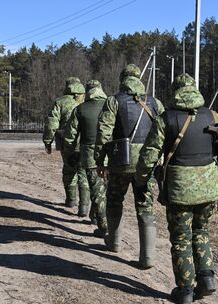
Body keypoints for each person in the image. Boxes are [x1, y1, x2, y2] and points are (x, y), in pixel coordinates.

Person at [135, 73, 218, 304]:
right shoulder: (213, 115)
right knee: (201, 231)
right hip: (210, 188)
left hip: (180, 189)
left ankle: (185, 291)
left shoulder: (166, 119)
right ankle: (207, 278)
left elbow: (149, 156)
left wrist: (142, 180)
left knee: (181, 238)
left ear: (176, 92)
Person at [94, 64, 164, 269]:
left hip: (120, 162)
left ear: (123, 79)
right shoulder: (155, 102)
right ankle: (148, 258)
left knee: (114, 199)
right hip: (146, 163)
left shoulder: (114, 101)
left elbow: (104, 133)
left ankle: (114, 243)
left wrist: (101, 161)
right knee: (145, 205)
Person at [64, 80, 108, 237]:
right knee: (109, 190)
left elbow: (70, 136)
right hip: (114, 154)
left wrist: (69, 153)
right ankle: (97, 218)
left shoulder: (80, 109)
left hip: (90, 155)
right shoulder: (112, 105)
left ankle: (104, 228)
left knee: (96, 190)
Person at [43, 77, 90, 216]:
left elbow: (52, 124)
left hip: (66, 143)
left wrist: (47, 141)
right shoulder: (87, 102)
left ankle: (70, 200)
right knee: (83, 174)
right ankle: (84, 207)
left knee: (69, 171)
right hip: (85, 143)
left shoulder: (60, 102)